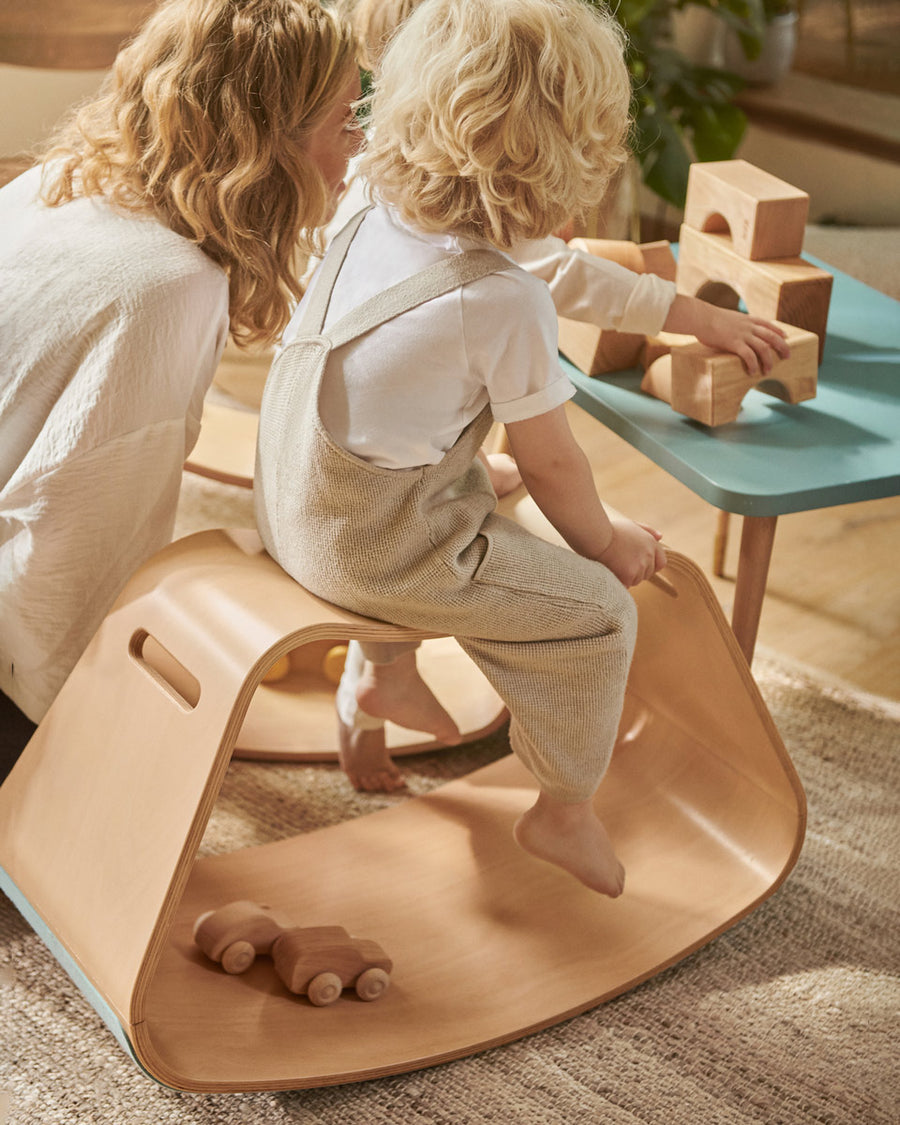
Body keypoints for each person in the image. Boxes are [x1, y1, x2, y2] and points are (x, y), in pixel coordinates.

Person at [255, 0, 789, 896]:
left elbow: (560, 272)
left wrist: (690, 315)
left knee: (477, 476)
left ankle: (378, 681)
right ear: (576, 153)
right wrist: (609, 548)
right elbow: (556, 466)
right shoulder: (500, 303)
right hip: (365, 548)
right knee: (594, 614)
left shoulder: (375, 198)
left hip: (292, 494)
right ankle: (564, 808)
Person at [0, 0, 361, 782]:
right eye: (345, 123)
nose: (358, 149)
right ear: (273, 145)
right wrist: (73, 745)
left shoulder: (61, 182)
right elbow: (73, 553)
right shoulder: (168, 288)